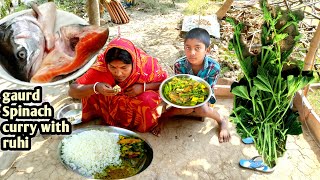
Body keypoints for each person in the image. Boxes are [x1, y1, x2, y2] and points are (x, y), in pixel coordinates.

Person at [68, 37, 168, 133]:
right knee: (90, 88)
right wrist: (96, 87)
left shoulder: (146, 65)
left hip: (137, 99)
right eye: (112, 67)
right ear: (106, 63)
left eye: (124, 68)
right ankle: (105, 116)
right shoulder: (102, 68)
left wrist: (143, 87)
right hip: (108, 103)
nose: (118, 73)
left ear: (133, 62)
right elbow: (72, 90)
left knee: (148, 99)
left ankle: (141, 124)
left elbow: (165, 84)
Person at [155, 28, 231, 142]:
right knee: (185, 110)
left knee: (202, 110)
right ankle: (163, 118)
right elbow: (179, 85)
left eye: (197, 48)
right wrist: (185, 101)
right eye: (188, 48)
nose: (192, 53)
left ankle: (221, 121)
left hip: (205, 95)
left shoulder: (214, 67)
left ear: (207, 50)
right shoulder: (179, 65)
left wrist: (196, 102)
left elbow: (208, 90)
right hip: (183, 94)